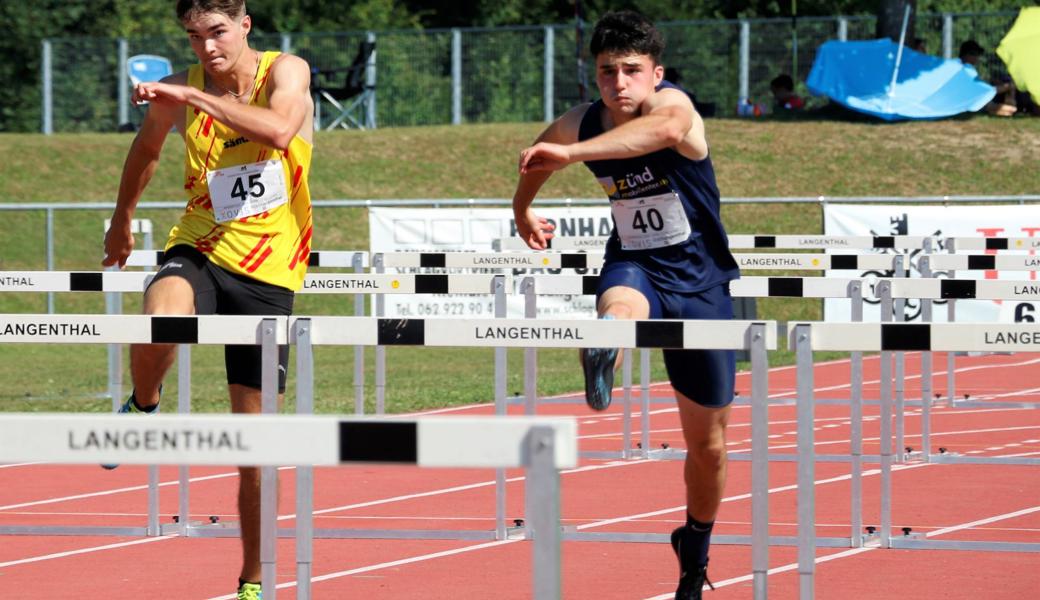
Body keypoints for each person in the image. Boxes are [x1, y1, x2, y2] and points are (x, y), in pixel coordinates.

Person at [512, 10, 739, 600]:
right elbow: (539, 155)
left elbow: (655, 136)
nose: (619, 82)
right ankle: (606, 344)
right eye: (607, 71)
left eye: (631, 70)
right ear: (595, 75)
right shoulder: (582, 121)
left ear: (655, 73)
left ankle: (695, 546)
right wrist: (522, 210)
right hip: (637, 262)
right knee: (620, 300)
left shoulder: (676, 110)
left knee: (708, 445)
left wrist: (573, 154)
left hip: (703, 284)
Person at [101, 1, 313, 599]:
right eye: (193, 38)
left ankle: (252, 581)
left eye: (216, 32)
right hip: (199, 241)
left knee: (255, 448)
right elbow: (145, 152)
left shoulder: (285, 71)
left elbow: (277, 130)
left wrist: (194, 99)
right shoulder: (178, 86)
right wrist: (122, 220)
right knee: (160, 318)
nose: (206, 49)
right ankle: (143, 407)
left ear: (245, 24)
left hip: (270, 266)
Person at [959, 39, 1017, 117]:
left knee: (1008, 108)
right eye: (975, 55)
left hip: (976, 101)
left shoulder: (965, 68)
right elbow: (982, 91)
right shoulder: (965, 68)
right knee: (1011, 108)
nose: (977, 58)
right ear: (967, 54)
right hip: (973, 102)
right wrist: (1007, 86)